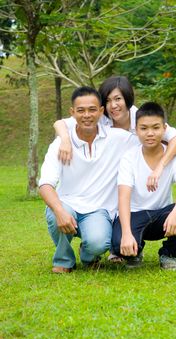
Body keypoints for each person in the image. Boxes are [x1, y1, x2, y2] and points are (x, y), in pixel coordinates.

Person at [53, 76, 176, 262]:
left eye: (118, 99)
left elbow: (175, 137)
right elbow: (60, 124)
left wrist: (169, 159)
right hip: (110, 177)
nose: (113, 106)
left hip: (139, 175)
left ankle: (151, 249)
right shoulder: (99, 118)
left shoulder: (141, 117)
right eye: (108, 100)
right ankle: (115, 243)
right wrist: (66, 140)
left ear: (127, 98)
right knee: (113, 214)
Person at [39, 86, 139, 273]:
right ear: (72, 113)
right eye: (81, 110)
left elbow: (152, 138)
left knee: (99, 243)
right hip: (67, 203)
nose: (87, 115)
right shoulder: (60, 144)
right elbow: (45, 184)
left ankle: (88, 255)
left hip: (98, 210)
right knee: (55, 213)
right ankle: (63, 259)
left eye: (92, 110)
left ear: (101, 111)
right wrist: (60, 210)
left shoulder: (118, 138)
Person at [111, 102, 176, 270]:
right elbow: (123, 197)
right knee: (119, 246)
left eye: (155, 128)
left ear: (164, 128)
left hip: (161, 215)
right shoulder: (129, 158)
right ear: (136, 130)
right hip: (135, 215)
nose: (150, 134)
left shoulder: (175, 156)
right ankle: (136, 249)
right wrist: (127, 234)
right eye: (143, 128)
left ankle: (168, 254)